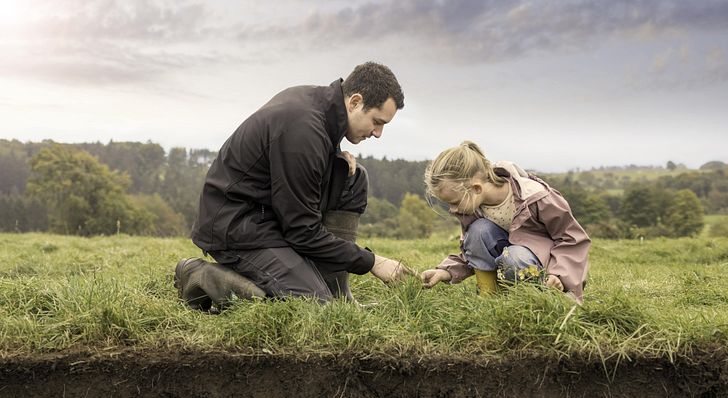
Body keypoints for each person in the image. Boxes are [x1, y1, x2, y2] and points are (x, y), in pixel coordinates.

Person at [174, 62, 411, 310]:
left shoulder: (322, 105)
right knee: (315, 308)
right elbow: (302, 232)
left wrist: (335, 156)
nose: (378, 133)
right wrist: (372, 261)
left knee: (353, 177)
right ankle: (204, 276)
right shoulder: (303, 129)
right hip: (237, 227)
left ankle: (337, 292)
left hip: (270, 215)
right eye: (377, 121)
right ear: (354, 102)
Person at [420, 141, 590, 302]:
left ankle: (537, 300)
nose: (452, 209)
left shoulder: (535, 197)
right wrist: (445, 272)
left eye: (454, 202)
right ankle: (489, 297)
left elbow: (571, 239)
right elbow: (472, 252)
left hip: (546, 266)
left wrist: (558, 274)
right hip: (512, 258)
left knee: (514, 257)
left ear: (477, 188)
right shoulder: (474, 209)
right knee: (478, 231)